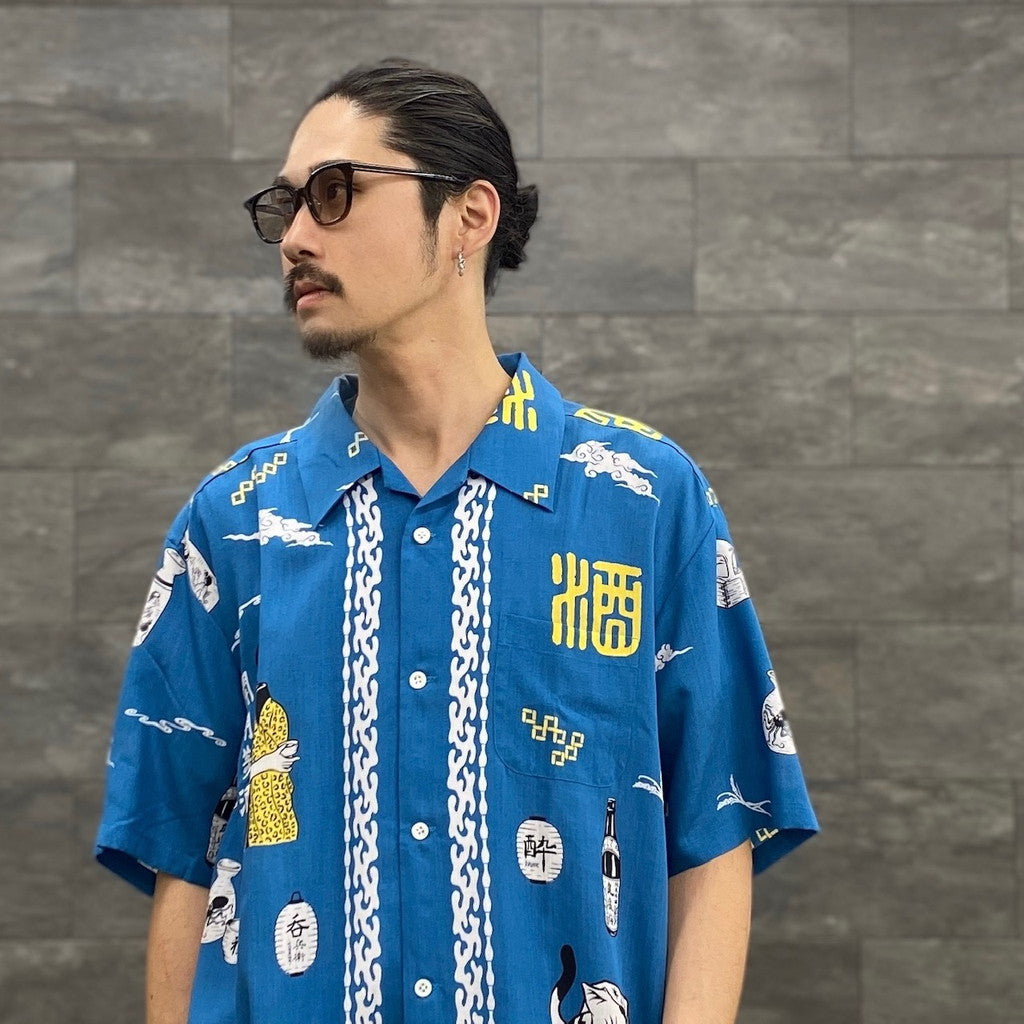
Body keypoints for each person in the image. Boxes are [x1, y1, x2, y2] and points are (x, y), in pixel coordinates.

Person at [95, 56, 819, 1024]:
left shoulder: (644, 501)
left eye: (336, 193)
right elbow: (186, 852)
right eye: (286, 206)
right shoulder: (233, 518)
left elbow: (715, 828)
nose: (297, 235)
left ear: (469, 216)